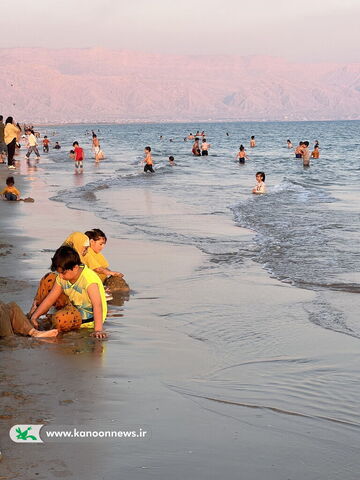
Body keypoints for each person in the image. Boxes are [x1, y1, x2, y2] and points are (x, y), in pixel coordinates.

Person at [30, 246, 108, 339]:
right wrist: (35, 316)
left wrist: (98, 330)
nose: (60, 276)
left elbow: (97, 305)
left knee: (59, 319)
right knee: (49, 279)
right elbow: (50, 298)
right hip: (71, 305)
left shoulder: (89, 280)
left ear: (75, 268)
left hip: (86, 318)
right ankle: (35, 312)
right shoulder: (62, 276)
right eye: (59, 273)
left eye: (63, 273)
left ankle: (54, 319)